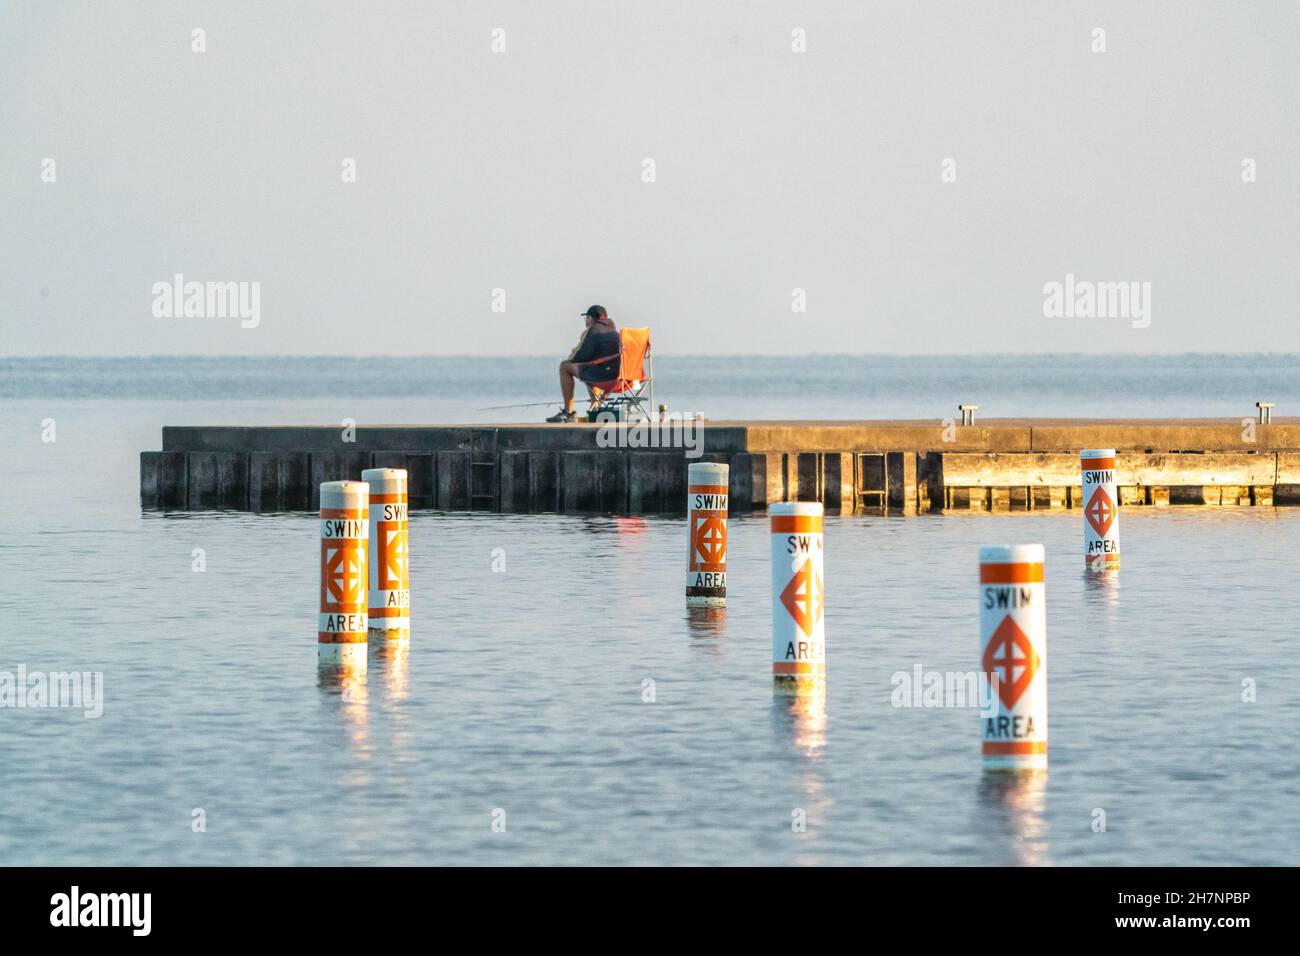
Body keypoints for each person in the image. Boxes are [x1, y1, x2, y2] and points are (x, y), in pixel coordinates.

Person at [546, 305, 620, 422]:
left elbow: (579, 357)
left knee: (564, 366)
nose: (586, 321)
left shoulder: (592, 331)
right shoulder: (615, 332)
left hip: (602, 376)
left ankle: (568, 411)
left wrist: (571, 357)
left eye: (586, 318)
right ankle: (595, 407)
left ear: (590, 318)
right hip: (618, 377)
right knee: (590, 368)